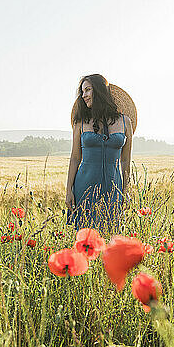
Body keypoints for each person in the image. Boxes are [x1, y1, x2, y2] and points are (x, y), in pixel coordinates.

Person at [65, 74, 134, 234]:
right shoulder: (80, 122)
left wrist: (125, 190)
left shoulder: (125, 122)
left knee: (111, 237)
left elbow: (125, 161)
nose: (84, 96)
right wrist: (69, 190)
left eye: (88, 90)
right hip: (84, 188)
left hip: (113, 187)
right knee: (85, 241)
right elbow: (75, 158)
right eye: (82, 92)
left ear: (100, 91)